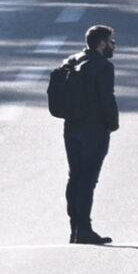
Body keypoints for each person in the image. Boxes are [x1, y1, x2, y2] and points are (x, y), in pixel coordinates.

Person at [55, 24, 119, 245]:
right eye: (111, 41)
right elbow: (107, 98)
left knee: (75, 176)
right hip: (94, 129)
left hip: (71, 126)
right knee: (88, 179)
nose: (114, 46)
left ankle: (75, 228)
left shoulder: (71, 61)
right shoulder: (103, 66)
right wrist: (112, 124)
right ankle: (84, 229)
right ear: (101, 43)